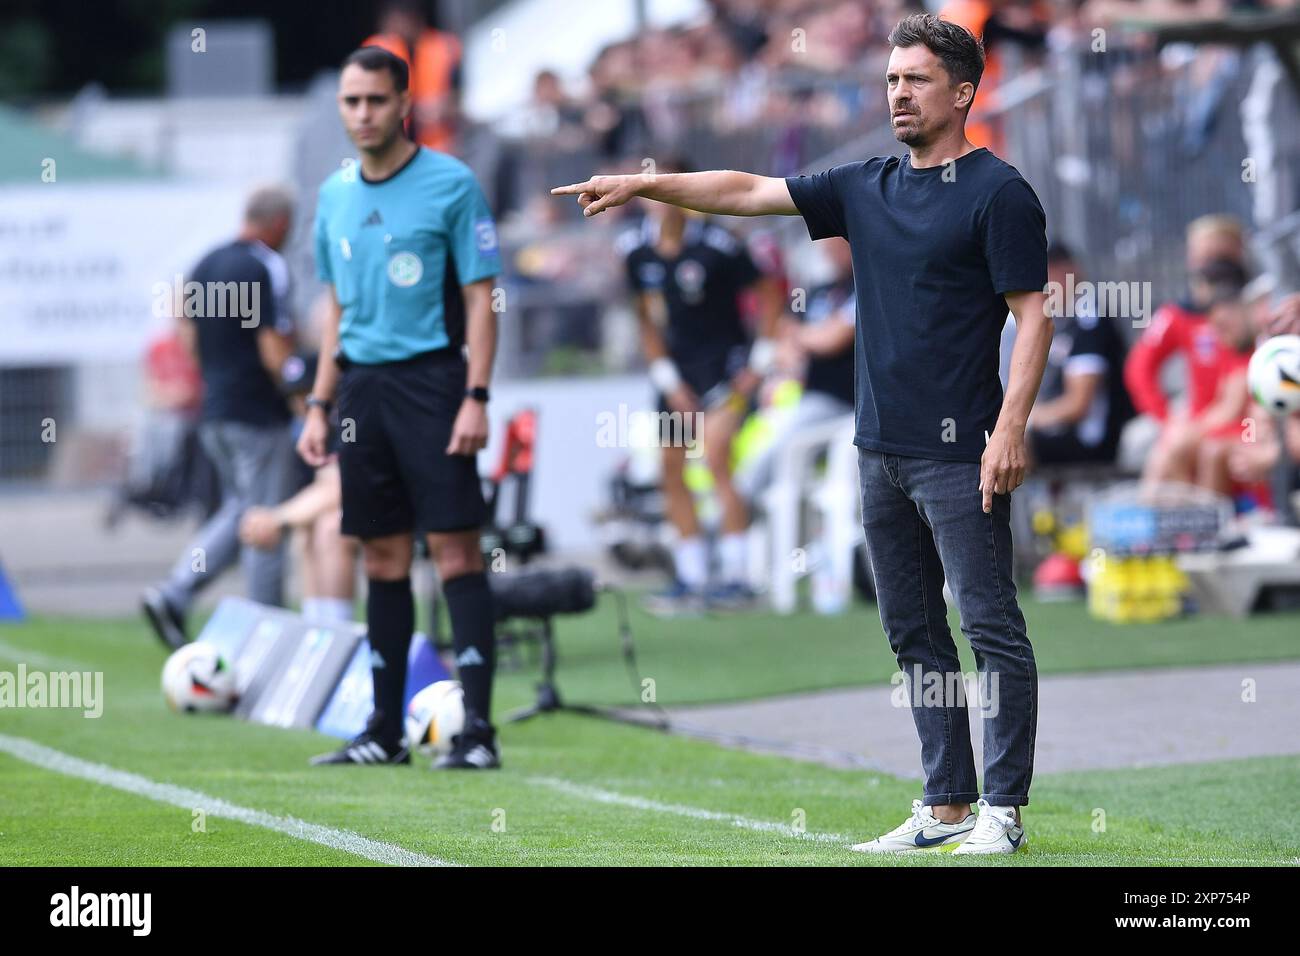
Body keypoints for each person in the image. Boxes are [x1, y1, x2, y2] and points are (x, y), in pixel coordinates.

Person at [554, 13, 1051, 854]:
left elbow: (1033, 321)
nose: (898, 92)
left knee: (990, 624)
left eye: (916, 79)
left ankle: (1001, 810)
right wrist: (646, 186)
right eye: (892, 79)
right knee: (911, 630)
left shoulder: (999, 193)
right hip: (877, 450)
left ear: (963, 92)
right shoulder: (866, 185)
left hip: (961, 450)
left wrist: (1009, 431)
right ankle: (946, 805)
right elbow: (749, 191)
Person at [300, 46, 502, 770]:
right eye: (351, 102)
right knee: (380, 555)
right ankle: (383, 730)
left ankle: (478, 732)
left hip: (435, 384)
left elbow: (482, 301)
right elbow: (336, 309)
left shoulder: (451, 185)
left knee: (454, 550)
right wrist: (320, 404)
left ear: (404, 104)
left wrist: (476, 395)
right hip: (360, 391)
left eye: (375, 101)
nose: (362, 114)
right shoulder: (332, 195)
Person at [618, 157, 784, 614]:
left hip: (724, 370)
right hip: (679, 376)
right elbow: (644, 318)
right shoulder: (636, 251)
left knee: (715, 459)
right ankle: (692, 577)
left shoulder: (718, 246)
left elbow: (769, 296)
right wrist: (667, 379)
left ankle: (737, 578)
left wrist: (758, 365)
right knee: (670, 470)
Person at [141, 186, 299, 649]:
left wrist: (215, 375)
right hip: (256, 413)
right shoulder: (265, 264)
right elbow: (274, 347)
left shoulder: (207, 263)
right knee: (265, 518)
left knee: (240, 510)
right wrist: (303, 398)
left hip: (215, 411)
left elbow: (187, 333)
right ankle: (269, 629)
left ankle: (176, 591)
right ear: (278, 225)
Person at [735, 236, 856, 498]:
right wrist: (805, 338)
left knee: (776, 446)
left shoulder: (862, 289)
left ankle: (740, 506)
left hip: (842, 402)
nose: (832, 252)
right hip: (805, 396)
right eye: (828, 247)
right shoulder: (819, 291)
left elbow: (832, 339)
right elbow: (783, 335)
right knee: (757, 434)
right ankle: (743, 512)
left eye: (838, 246)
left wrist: (803, 336)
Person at [1023, 242, 1134, 467]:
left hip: (1090, 441)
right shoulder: (1061, 320)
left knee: (1013, 441)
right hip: (1059, 432)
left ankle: (994, 503)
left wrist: (1027, 419)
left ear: (1068, 273)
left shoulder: (1089, 323)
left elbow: (1078, 405)